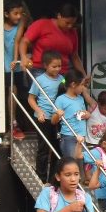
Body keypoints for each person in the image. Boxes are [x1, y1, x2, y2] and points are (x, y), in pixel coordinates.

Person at [19, 3, 85, 79]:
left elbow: (75, 56)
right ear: (59, 16)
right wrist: (23, 57)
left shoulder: (72, 32)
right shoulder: (42, 24)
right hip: (40, 70)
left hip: (62, 74)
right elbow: (24, 41)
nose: (70, 26)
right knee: (46, 86)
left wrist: (83, 75)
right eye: (67, 23)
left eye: (72, 24)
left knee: (66, 85)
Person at [27, 50, 64, 183]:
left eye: (59, 66)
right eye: (54, 66)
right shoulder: (39, 80)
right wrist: (39, 111)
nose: (57, 69)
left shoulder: (62, 79)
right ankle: (41, 178)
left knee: (56, 149)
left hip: (57, 118)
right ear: (45, 66)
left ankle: (53, 179)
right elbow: (31, 99)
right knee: (43, 148)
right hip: (44, 119)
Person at [2, 0, 29, 138]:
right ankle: (12, 123)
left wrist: (15, 60)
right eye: (15, 13)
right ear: (6, 14)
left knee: (16, 91)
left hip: (15, 64)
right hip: (4, 65)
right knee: (10, 91)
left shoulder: (21, 22)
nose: (19, 16)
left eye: (20, 13)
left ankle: (15, 124)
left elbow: (17, 41)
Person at [52, 68, 94, 160]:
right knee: (71, 162)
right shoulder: (61, 99)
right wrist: (58, 115)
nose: (83, 88)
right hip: (69, 137)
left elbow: (83, 113)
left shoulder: (80, 98)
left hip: (82, 137)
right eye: (82, 85)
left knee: (81, 163)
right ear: (73, 84)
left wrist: (87, 114)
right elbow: (53, 121)